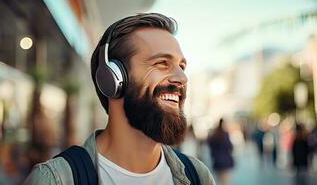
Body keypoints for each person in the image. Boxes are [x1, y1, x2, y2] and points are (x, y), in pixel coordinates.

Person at [23, 13, 215, 185]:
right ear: (113, 78)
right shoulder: (56, 180)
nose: (182, 78)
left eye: (182, 66)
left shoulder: (197, 175)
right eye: (162, 63)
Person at [208, 118, 234, 185]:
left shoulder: (214, 134)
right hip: (225, 161)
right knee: (225, 181)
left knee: (218, 180)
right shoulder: (225, 134)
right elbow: (230, 147)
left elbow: (210, 146)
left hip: (217, 161)